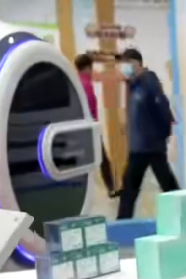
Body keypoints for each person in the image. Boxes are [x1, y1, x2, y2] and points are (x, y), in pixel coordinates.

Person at [117, 48, 179, 219]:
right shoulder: (133, 84)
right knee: (132, 187)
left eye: (127, 63)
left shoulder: (149, 82)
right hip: (139, 146)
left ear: (136, 63)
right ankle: (122, 223)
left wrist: (163, 135)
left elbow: (163, 109)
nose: (124, 68)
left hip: (150, 145)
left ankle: (122, 222)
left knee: (164, 185)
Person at [74, 52, 117, 198]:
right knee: (101, 160)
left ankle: (109, 188)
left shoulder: (79, 83)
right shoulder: (85, 84)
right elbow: (89, 107)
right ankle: (110, 188)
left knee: (95, 161)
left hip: (84, 128)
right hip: (90, 128)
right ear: (87, 68)